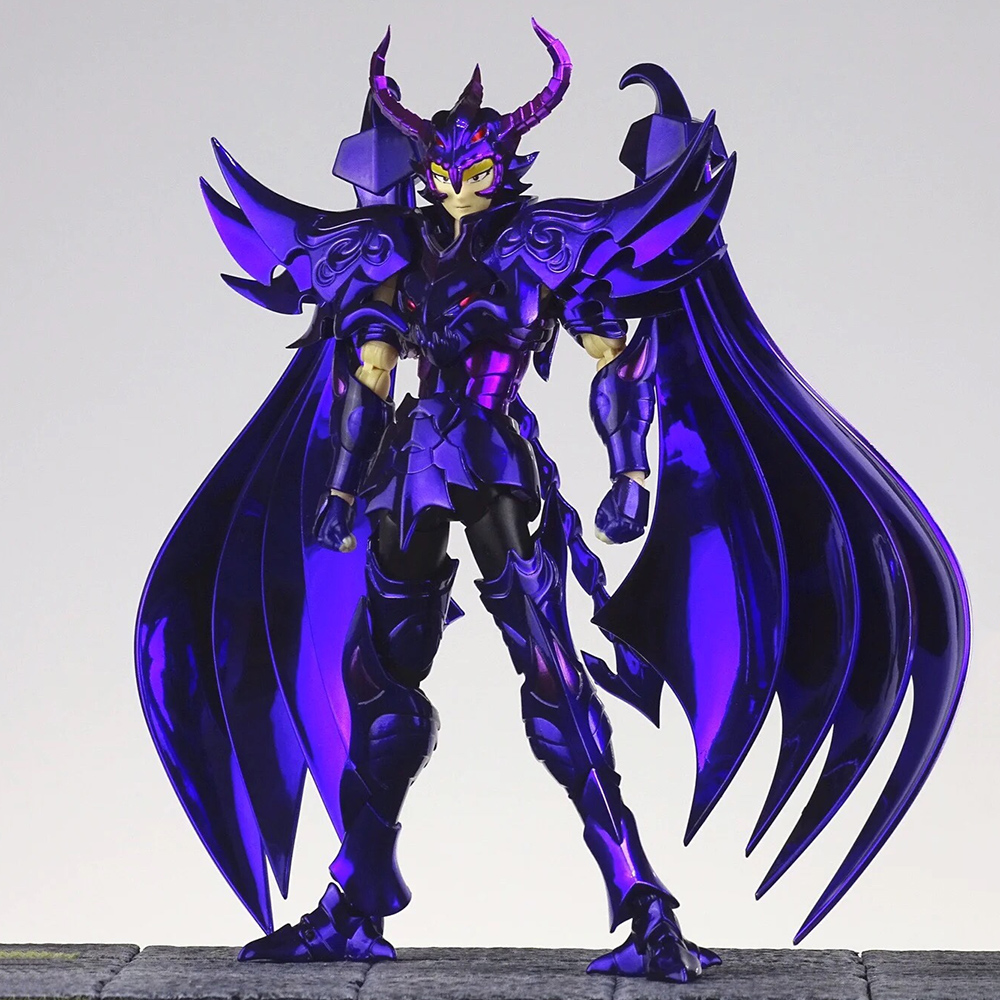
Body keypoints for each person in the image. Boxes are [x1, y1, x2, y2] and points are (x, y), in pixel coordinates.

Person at [135, 20, 969, 984]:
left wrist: (631, 472)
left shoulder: (541, 248)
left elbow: (614, 356)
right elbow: (370, 376)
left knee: (552, 676)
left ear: (504, 169)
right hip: (410, 472)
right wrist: (336, 485)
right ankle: (354, 902)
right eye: (442, 169)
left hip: (493, 464)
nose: (457, 183)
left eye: (475, 169)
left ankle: (643, 903)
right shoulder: (393, 252)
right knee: (382, 680)